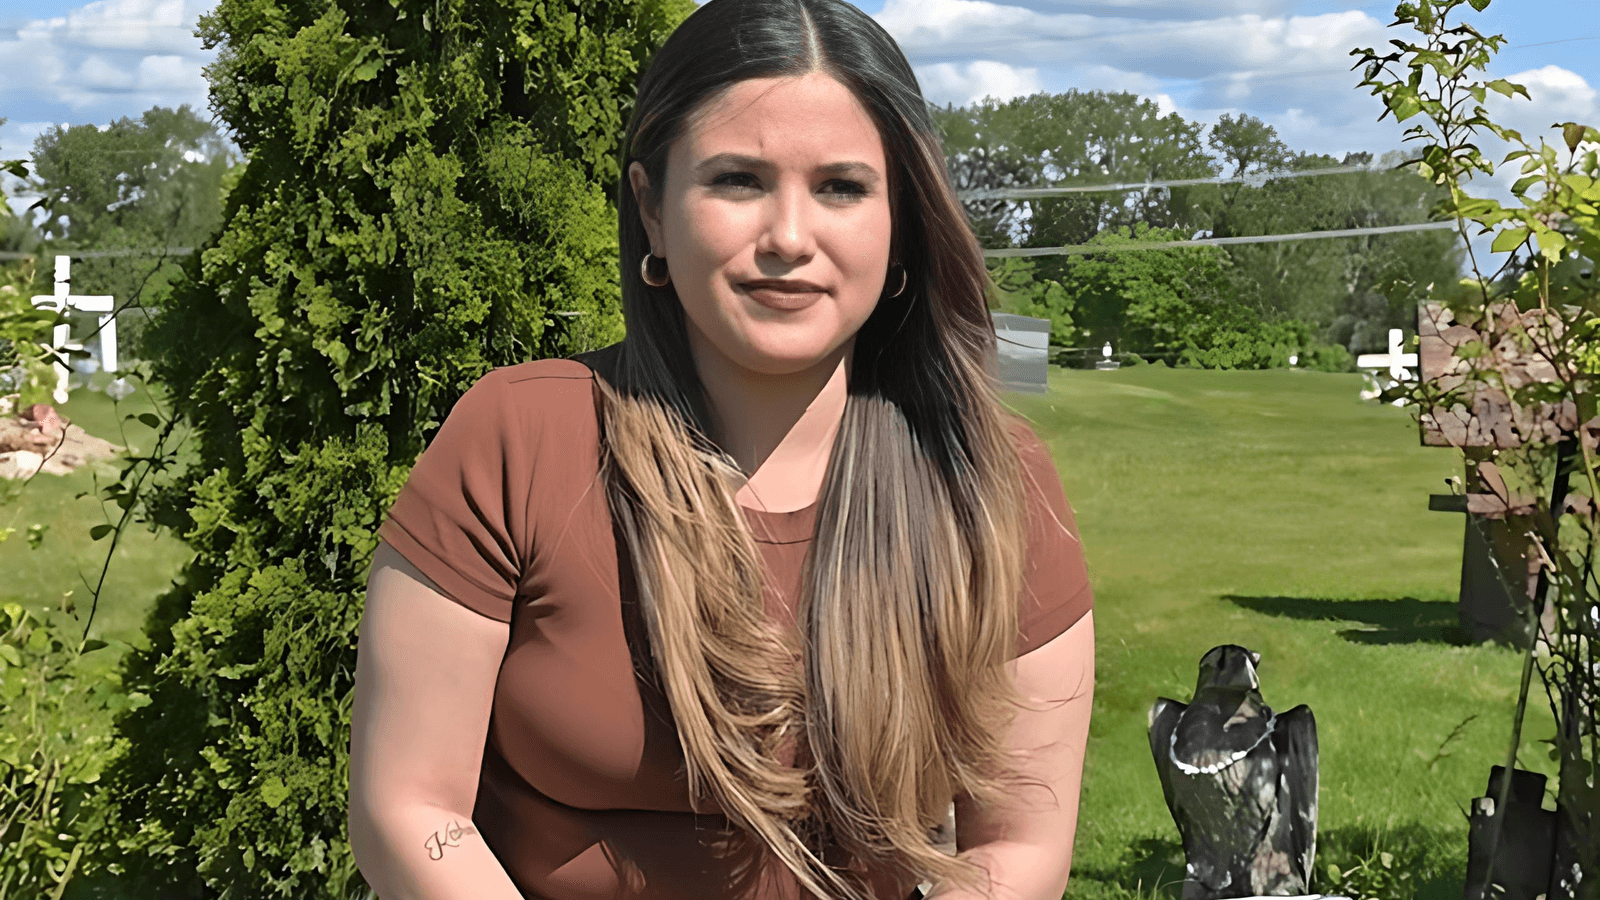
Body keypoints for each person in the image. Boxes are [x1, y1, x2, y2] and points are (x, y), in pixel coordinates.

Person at [347, 1, 1096, 898]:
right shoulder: (519, 442)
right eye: (738, 180)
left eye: (842, 187)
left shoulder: (990, 486)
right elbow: (412, 808)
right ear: (652, 210)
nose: (788, 236)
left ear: (903, 225)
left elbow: (1018, 849)